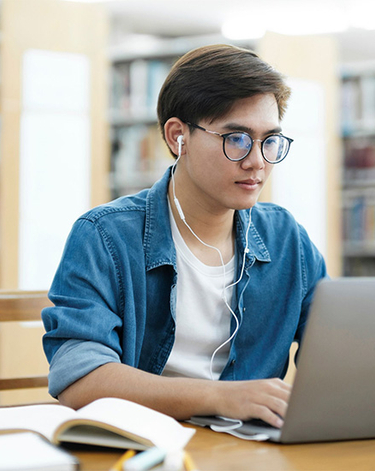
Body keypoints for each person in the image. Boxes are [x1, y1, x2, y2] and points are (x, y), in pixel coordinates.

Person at [42, 44, 328, 429]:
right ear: (179, 137)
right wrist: (224, 398)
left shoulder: (286, 239)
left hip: (250, 451)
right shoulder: (104, 236)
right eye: (237, 138)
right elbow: (79, 378)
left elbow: (336, 359)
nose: (257, 161)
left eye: (269, 140)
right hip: (146, 445)